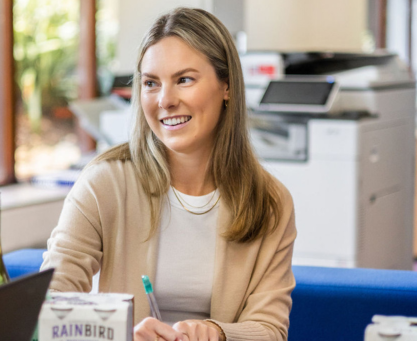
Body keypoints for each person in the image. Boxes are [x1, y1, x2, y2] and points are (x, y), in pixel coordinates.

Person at [41, 7, 296, 341]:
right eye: (151, 83)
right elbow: (51, 299)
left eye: (184, 80)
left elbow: (270, 330)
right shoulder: (105, 183)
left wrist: (214, 334)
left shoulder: (270, 202)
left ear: (227, 87)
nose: (165, 100)